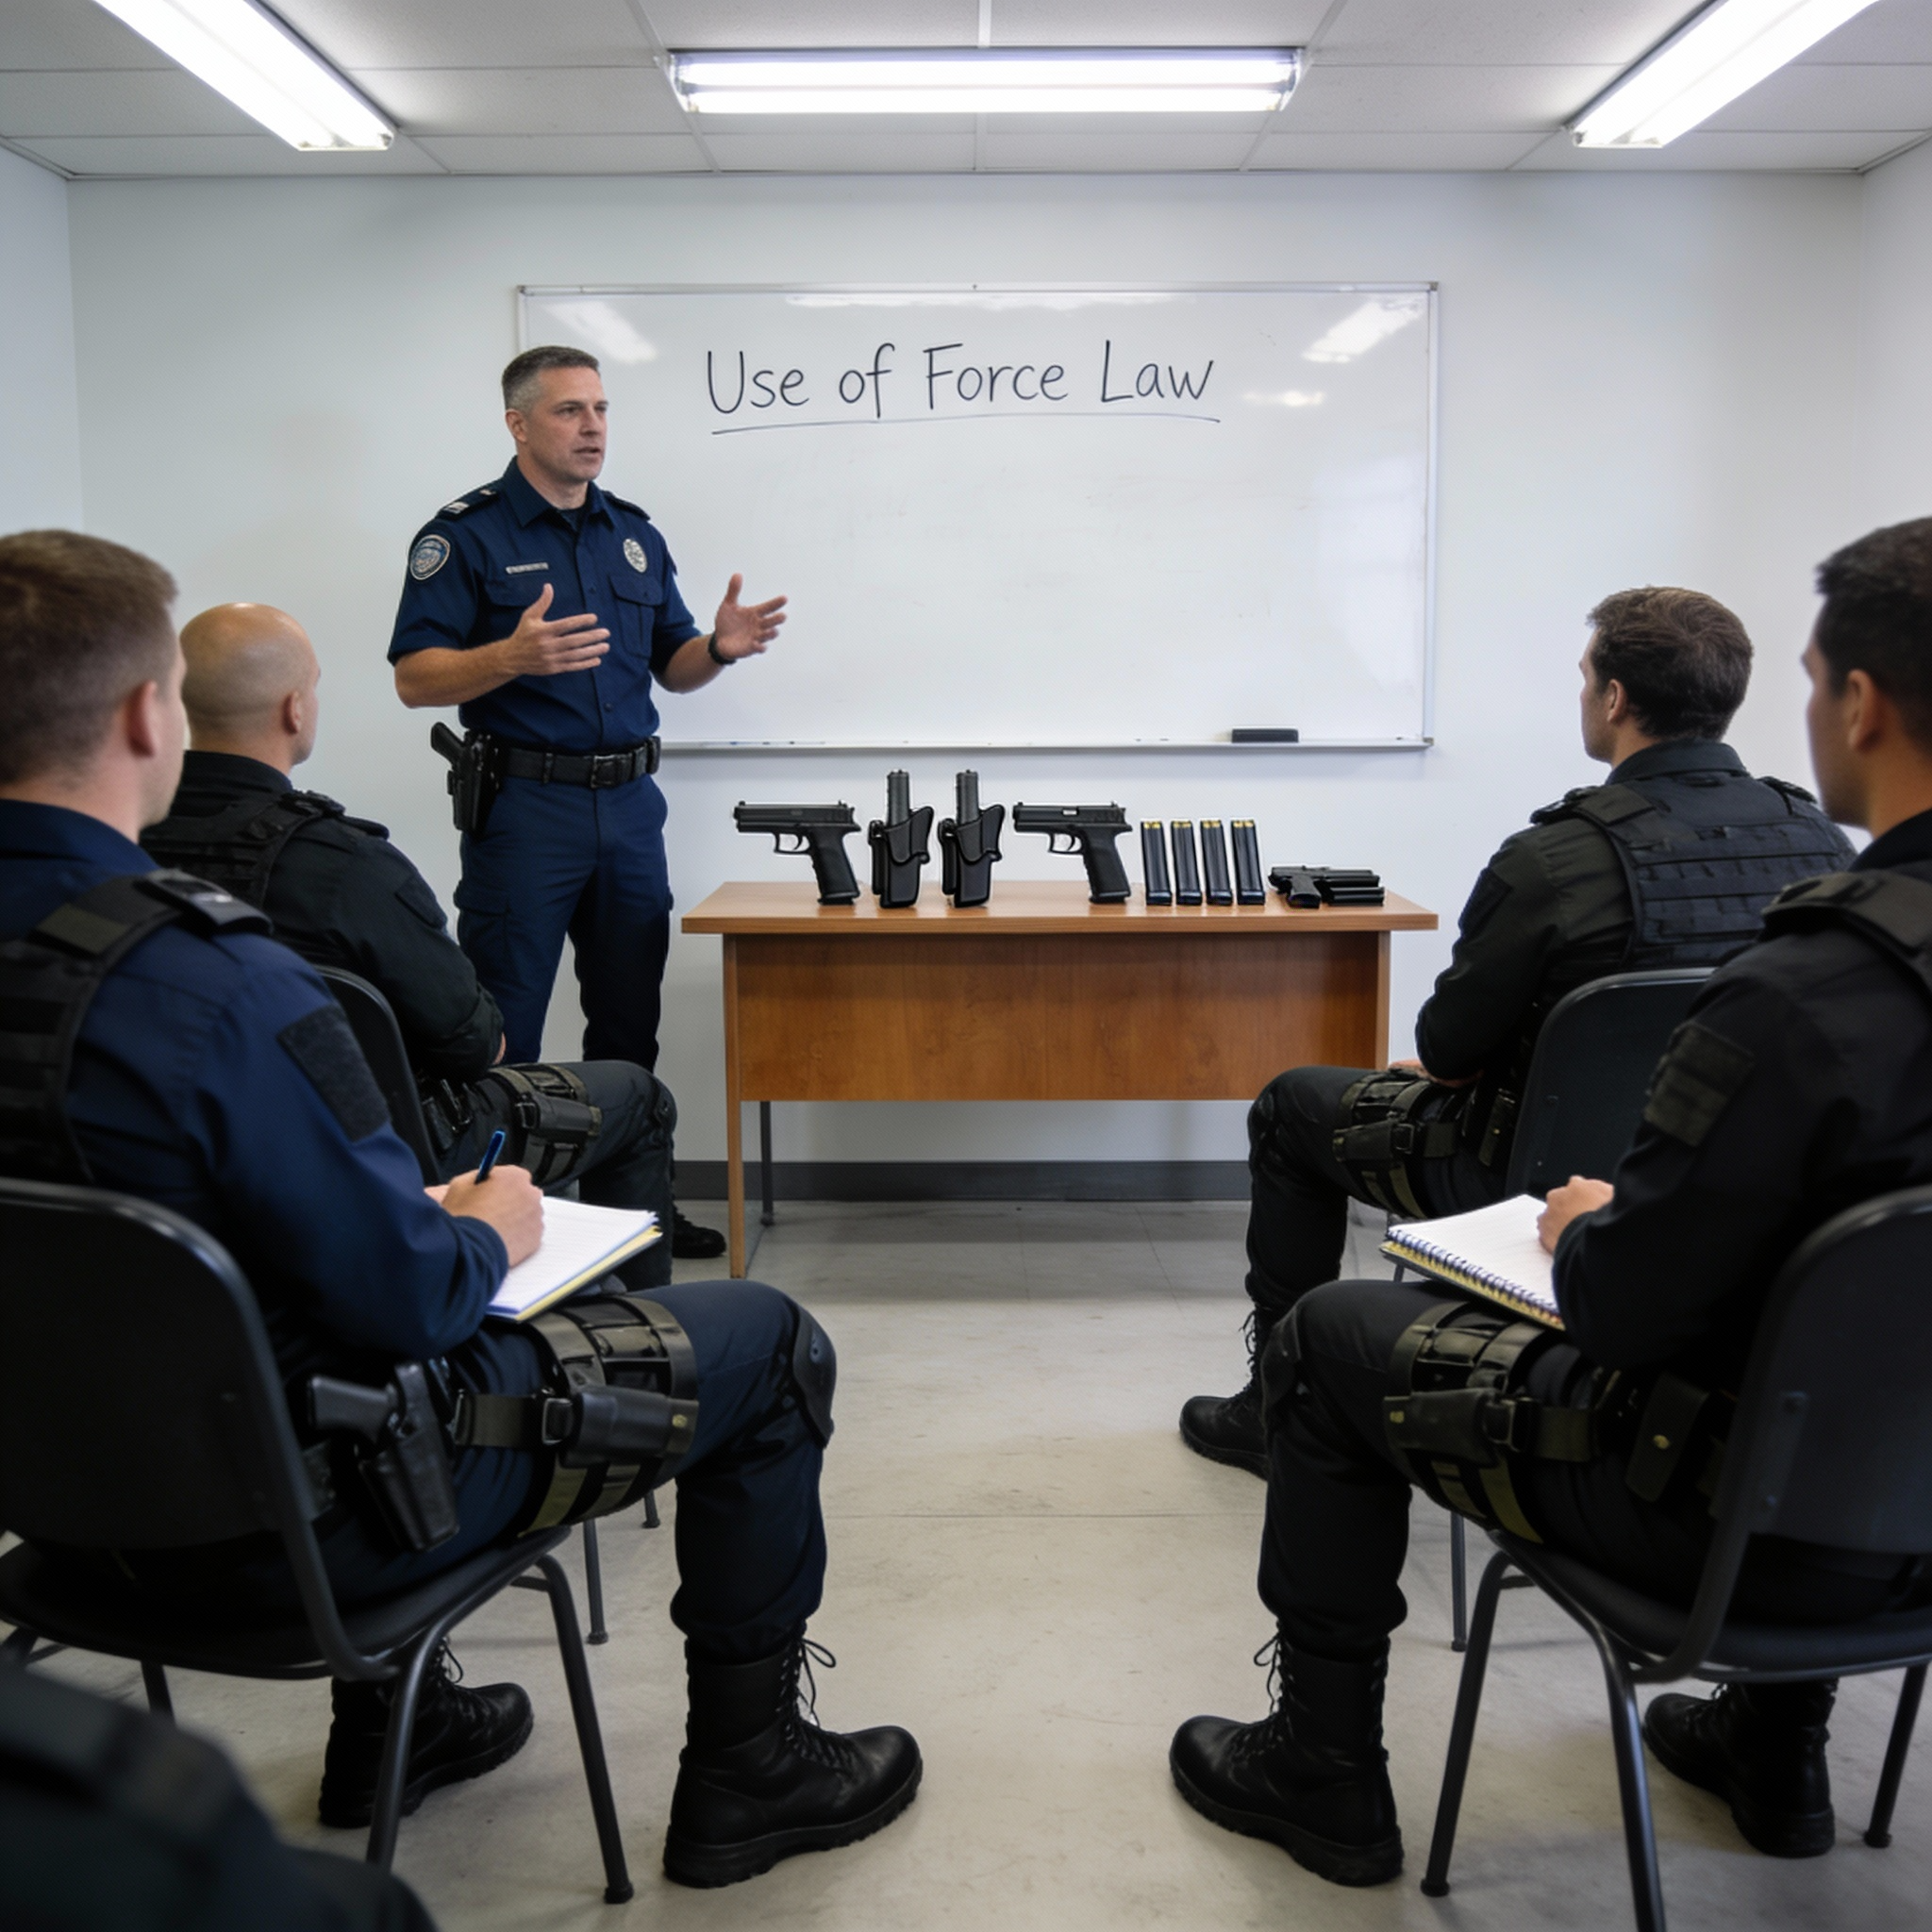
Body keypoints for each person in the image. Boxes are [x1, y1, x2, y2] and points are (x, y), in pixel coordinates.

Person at [0, 530, 920, 1888]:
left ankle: (411, 1720)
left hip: (60, 1523)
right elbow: (414, 1298)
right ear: (149, 716)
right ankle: (752, 1773)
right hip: (302, 1526)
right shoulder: (212, 990)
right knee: (770, 1345)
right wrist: (488, 1221)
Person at [1169, 518, 1932, 1887]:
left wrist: (1586, 1226)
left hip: (1723, 1505)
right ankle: (1779, 1749)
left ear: (1859, 703)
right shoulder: (1813, 860)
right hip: (1900, 1503)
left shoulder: (1775, 975)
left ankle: (1323, 1770)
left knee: (1336, 1329)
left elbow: (1621, 1293)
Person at [1180, 587, 1853, 1477]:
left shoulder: (1556, 860)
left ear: (1614, 699)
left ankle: (1276, 1407)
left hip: (1520, 1169)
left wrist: (1458, 1066)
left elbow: (1451, 1051)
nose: (1583, 694)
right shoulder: (1823, 845)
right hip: (1717, 1179)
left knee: (1290, 1106)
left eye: (1586, 678)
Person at [388, 345, 788, 1262]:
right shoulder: (467, 535)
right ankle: (493, 1221)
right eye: (569, 410)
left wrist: (718, 648)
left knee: (625, 1019)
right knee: (502, 1026)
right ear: (518, 423)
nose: (593, 426)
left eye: (601, 408)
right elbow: (415, 677)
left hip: (628, 808)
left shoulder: (633, 534)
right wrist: (506, 659)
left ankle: (629, 1214)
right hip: (525, 810)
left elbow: (674, 666)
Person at [141, 601, 674, 1287]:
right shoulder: (345, 865)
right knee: (638, 1094)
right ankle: (627, 1342)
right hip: (378, 1145)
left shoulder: (125, 845)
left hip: (188, 1139)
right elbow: (477, 1044)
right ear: (295, 710)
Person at [0, 1667, 437, 1932]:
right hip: (277, 1570)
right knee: (378, 1905)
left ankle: (385, 1735)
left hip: (79, 1571)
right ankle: (405, 1724)